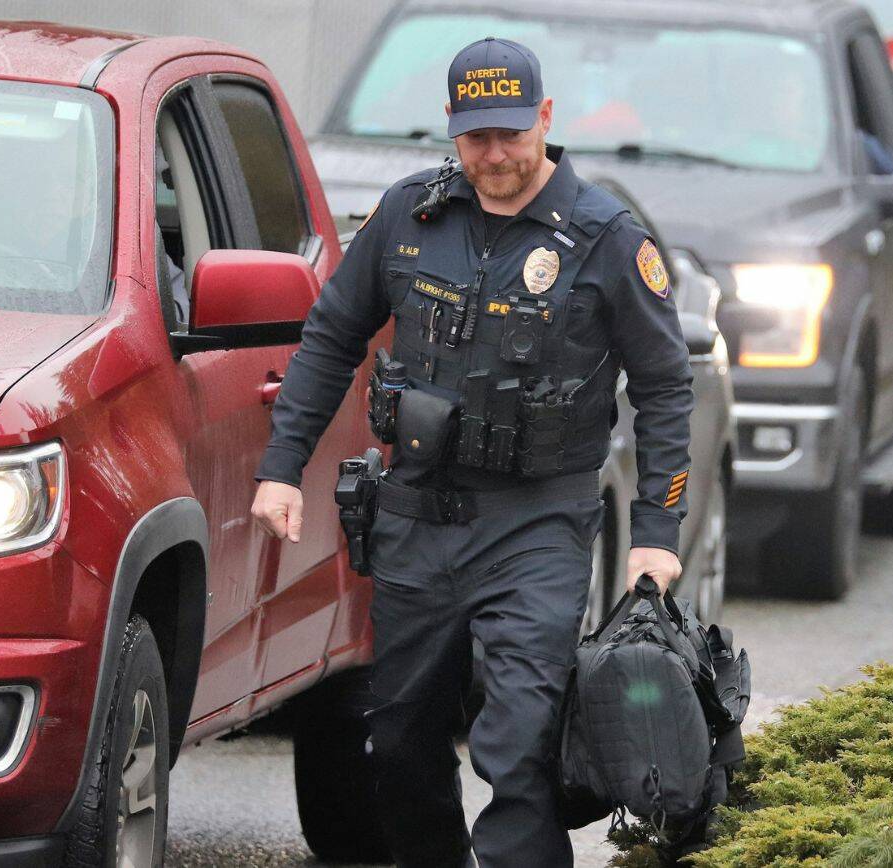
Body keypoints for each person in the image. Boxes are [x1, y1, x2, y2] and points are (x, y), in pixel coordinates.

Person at [249, 37, 694, 868]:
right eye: (476, 135)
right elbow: (331, 337)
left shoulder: (604, 237)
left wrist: (656, 534)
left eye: (512, 134)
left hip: (538, 524)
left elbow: (665, 386)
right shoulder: (409, 215)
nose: (495, 155)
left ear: (546, 120)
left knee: (520, 741)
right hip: (418, 514)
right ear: (451, 129)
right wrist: (282, 468)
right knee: (403, 745)